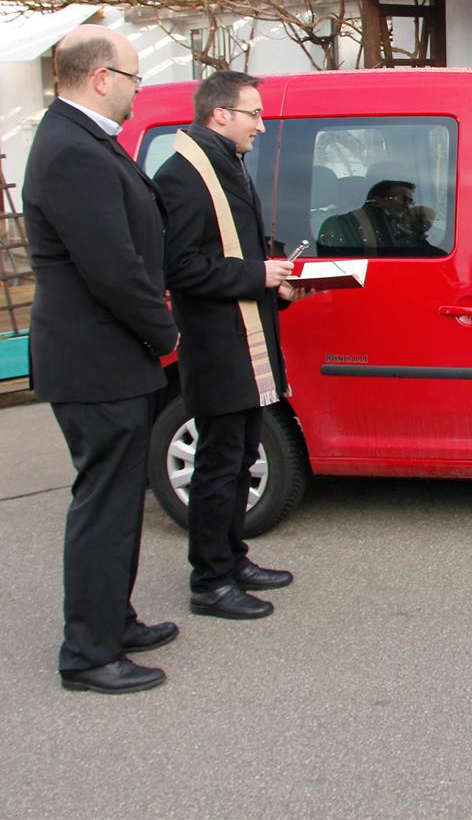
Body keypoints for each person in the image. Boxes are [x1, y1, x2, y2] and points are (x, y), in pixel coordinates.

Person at [24, 24, 179, 695]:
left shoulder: (82, 142)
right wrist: (166, 330)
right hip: (96, 358)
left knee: (117, 501)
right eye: (134, 78)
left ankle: (113, 618)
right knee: (105, 506)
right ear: (100, 78)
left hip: (108, 355)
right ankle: (88, 653)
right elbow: (111, 267)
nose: (137, 91)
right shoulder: (72, 151)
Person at [153, 71, 303, 621]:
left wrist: (278, 285)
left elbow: (234, 255)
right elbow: (183, 268)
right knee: (219, 464)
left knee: (239, 457)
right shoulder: (183, 176)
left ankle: (231, 557)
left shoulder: (225, 164)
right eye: (253, 115)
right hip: (217, 345)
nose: (261, 127)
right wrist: (256, 276)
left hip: (244, 337)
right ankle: (209, 582)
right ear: (221, 114)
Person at [316, 179, 427, 255]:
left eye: (410, 201)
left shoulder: (399, 227)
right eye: (402, 199)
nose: (407, 206)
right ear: (377, 201)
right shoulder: (340, 225)